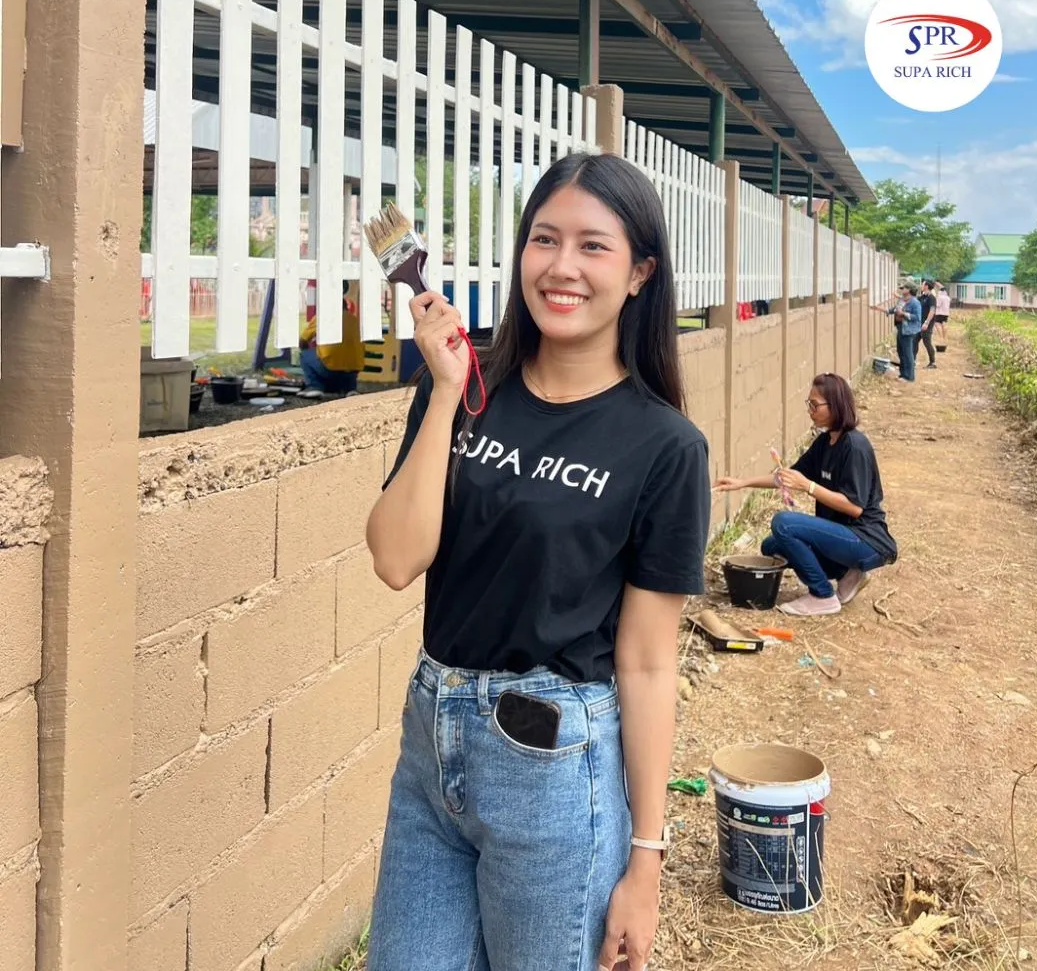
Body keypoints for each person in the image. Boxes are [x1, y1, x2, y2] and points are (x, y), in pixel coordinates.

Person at [364, 153, 711, 971]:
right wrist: (444, 391)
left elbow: (648, 662)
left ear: (640, 273)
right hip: (432, 750)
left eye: (594, 246)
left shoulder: (665, 447)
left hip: (555, 771)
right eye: (544, 239)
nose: (561, 267)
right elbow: (395, 558)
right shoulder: (467, 384)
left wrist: (646, 862)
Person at [714, 373, 897, 616]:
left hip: (866, 539)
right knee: (771, 546)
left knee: (784, 523)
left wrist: (809, 487)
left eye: (815, 405)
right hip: (842, 537)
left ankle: (823, 595)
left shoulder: (855, 446)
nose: (810, 410)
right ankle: (848, 573)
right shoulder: (824, 442)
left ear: (836, 405)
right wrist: (742, 483)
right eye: (808, 403)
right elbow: (788, 476)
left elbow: (854, 507)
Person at [298, 281, 364, 396]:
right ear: (346, 307)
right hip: (353, 371)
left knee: (304, 355)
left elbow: (302, 341)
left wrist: (311, 347)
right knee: (348, 358)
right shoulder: (355, 321)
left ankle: (314, 386)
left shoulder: (323, 317)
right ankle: (350, 389)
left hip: (329, 368)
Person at [874, 283, 922, 382]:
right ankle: (903, 374)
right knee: (901, 352)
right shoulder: (902, 300)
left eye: (904, 288)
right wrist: (879, 308)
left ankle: (909, 377)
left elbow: (917, 317)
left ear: (909, 290)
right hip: (901, 328)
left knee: (907, 353)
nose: (902, 290)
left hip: (908, 331)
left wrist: (904, 314)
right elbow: (893, 310)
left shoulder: (915, 303)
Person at [918, 279, 937, 369]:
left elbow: (932, 311)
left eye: (922, 284)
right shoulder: (923, 296)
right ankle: (911, 361)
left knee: (927, 342)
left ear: (926, 286)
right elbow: (911, 300)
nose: (921, 286)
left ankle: (932, 362)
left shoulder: (931, 298)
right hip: (920, 323)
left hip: (927, 324)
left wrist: (926, 323)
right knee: (914, 341)